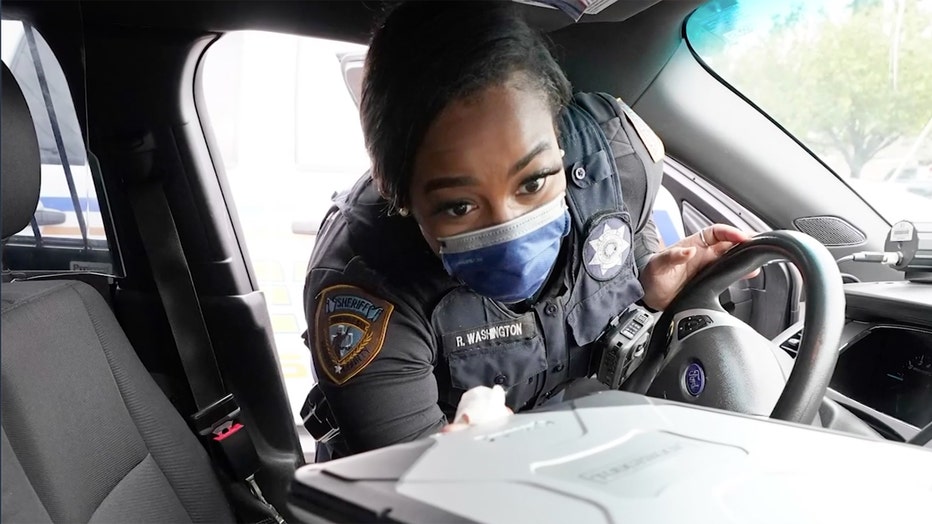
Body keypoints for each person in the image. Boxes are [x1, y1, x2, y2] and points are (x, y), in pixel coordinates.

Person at [301, 1, 751, 460]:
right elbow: (413, 489)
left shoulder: (616, 165)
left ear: (561, 139)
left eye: (534, 181)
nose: (510, 229)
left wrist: (647, 288)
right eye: (459, 206)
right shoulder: (363, 294)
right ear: (400, 197)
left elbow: (621, 254)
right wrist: (470, 459)